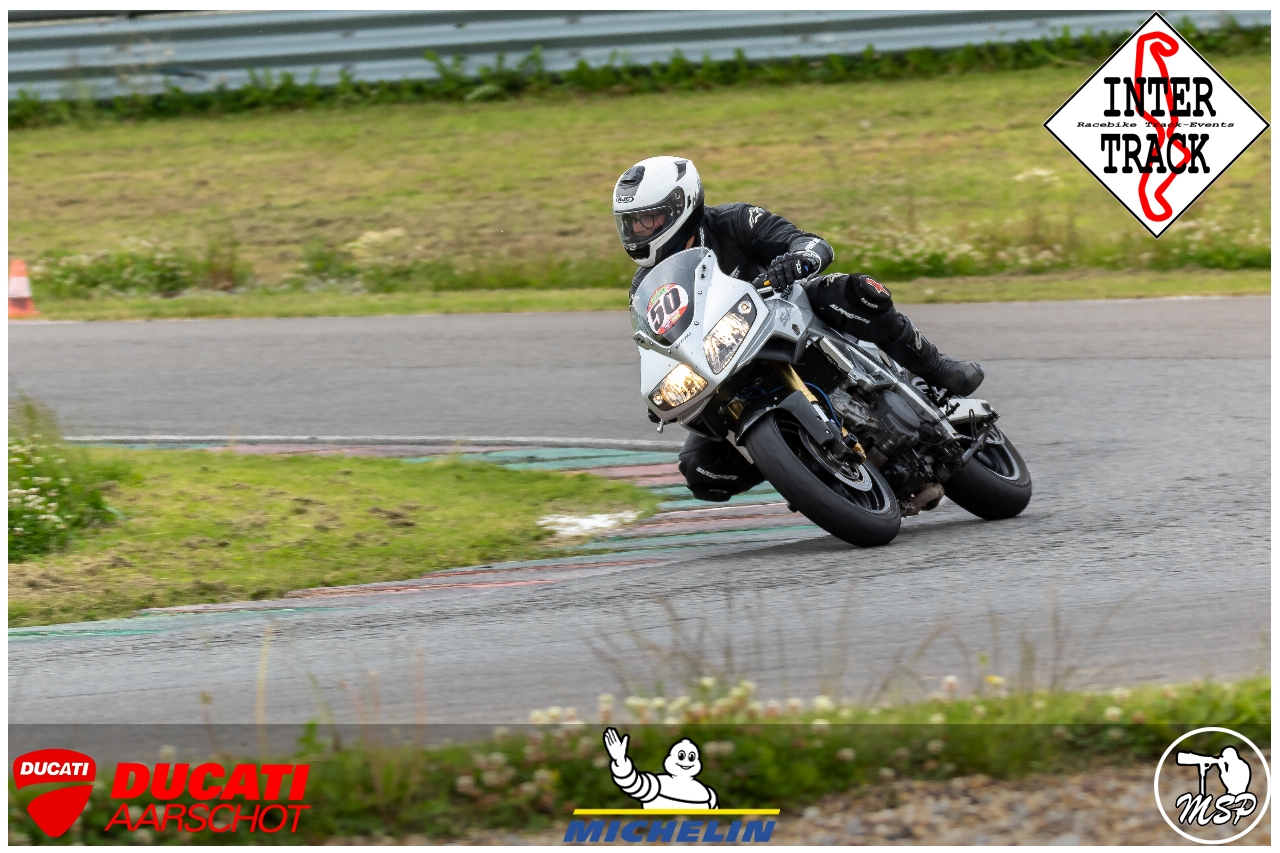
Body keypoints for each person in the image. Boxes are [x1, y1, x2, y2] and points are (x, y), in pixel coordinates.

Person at [614, 155, 985, 502]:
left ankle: (936, 366)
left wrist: (801, 258)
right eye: (632, 223)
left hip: (788, 315)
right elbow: (659, 345)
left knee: (857, 292)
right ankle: (808, 467)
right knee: (701, 470)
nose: (640, 230)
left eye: (649, 219)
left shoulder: (734, 221)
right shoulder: (646, 288)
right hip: (726, 361)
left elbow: (807, 242)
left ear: (683, 205)